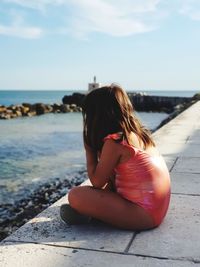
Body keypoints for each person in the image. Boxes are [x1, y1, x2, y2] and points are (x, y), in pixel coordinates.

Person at [60, 84, 171, 230]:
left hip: (143, 215)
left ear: (97, 116)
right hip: (157, 211)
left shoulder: (115, 143)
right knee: (100, 190)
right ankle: (95, 213)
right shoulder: (137, 134)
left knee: (75, 195)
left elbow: (97, 182)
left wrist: (89, 151)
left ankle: (91, 215)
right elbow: (114, 180)